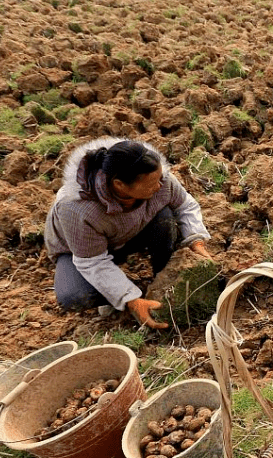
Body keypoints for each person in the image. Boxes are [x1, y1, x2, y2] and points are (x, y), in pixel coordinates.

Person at [45, 137, 212, 330]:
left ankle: (165, 278)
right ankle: (117, 295)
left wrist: (196, 240)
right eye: (151, 184)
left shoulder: (159, 177)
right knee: (73, 296)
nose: (159, 186)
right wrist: (130, 298)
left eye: (159, 179)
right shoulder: (77, 208)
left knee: (164, 216)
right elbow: (92, 261)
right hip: (81, 252)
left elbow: (185, 205)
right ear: (119, 185)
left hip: (130, 234)